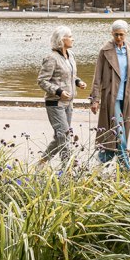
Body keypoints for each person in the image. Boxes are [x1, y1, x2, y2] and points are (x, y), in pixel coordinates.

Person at [88, 20, 130, 168]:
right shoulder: (105, 51)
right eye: (116, 34)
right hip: (111, 98)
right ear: (112, 34)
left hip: (128, 97)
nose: (119, 38)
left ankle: (101, 162)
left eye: (121, 35)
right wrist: (95, 99)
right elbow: (97, 77)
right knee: (118, 132)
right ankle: (126, 168)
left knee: (118, 133)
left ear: (126, 34)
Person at [37, 25, 85, 164]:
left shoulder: (71, 56)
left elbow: (69, 76)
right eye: (69, 37)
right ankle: (66, 170)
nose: (72, 39)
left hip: (69, 103)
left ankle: (42, 162)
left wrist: (78, 82)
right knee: (64, 136)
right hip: (55, 103)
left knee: (60, 137)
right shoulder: (51, 58)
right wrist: (58, 91)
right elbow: (42, 81)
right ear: (61, 40)